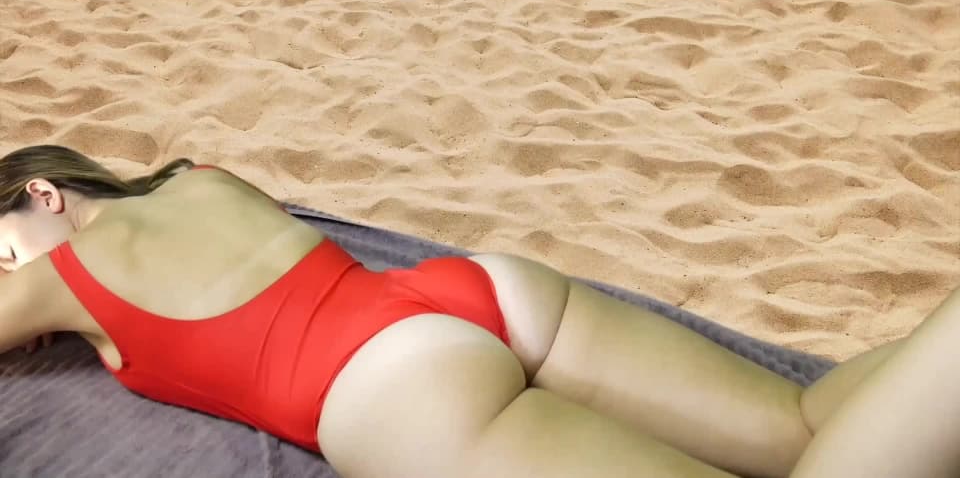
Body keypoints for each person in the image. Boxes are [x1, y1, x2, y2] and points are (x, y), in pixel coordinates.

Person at [0, 144, 956, 478]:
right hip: (476, 292)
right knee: (804, 422)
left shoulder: (60, 272)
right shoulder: (199, 179)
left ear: (42, 193)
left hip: (391, 385)